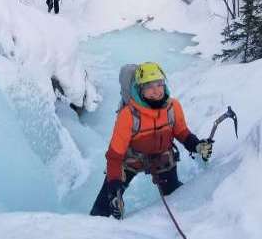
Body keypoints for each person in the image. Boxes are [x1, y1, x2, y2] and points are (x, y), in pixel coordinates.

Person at [90, 62, 214, 219]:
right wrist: (114, 187)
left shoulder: (173, 107)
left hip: (161, 157)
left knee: (176, 195)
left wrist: (196, 145)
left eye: (159, 84)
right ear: (140, 89)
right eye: (149, 86)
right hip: (131, 159)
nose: (157, 91)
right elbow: (115, 155)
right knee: (104, 206)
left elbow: (181, 132)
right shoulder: (128, 115)